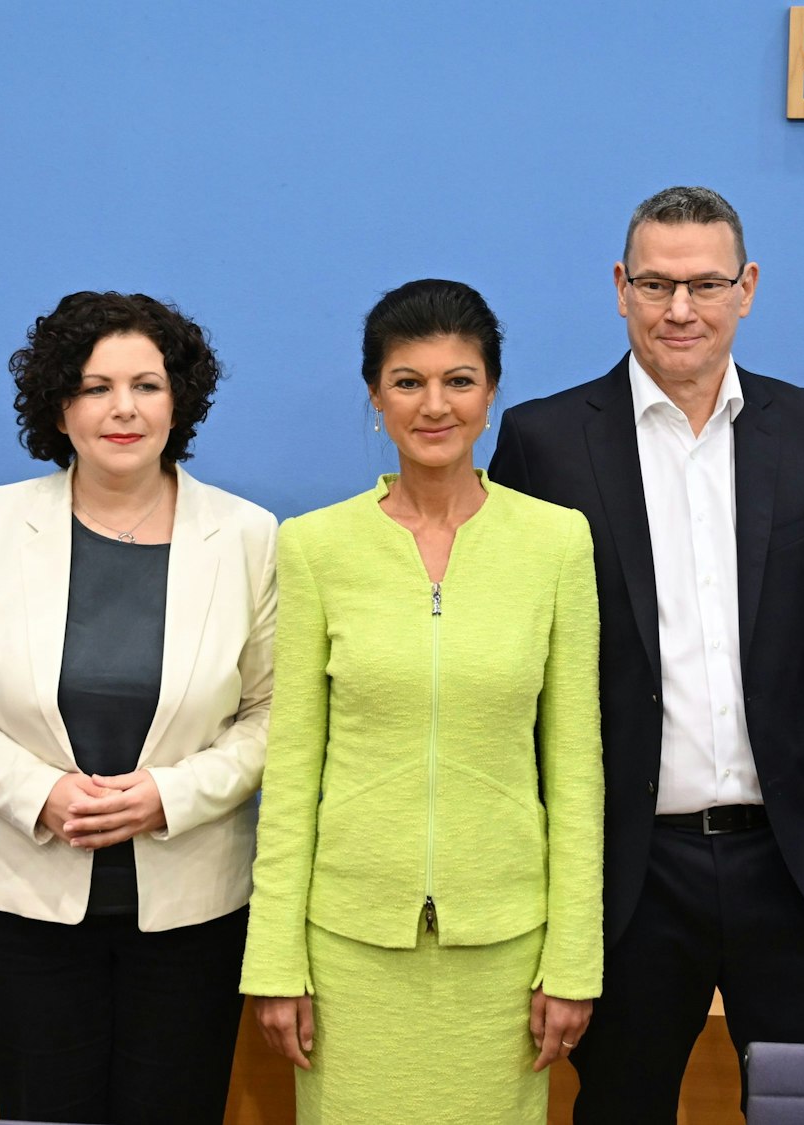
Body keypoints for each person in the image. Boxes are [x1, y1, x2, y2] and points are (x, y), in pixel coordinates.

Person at [488, 185, 804, 1122]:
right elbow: (519, 670)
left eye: (706, 283)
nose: (681, 308)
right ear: (620, 287)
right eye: (657, 283)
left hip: (800, 863)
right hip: (632, 876)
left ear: (747, 287)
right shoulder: (546, 442)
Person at [0, 291, 275, 1124]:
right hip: (24, 914)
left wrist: (170, 795)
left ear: (179, 401)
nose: (123, 409)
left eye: (146, 385)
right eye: (95, 386)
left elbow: (274, 715)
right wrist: (40, 793)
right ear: (58, 404)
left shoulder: (248, 536)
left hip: (193, 915)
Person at [242, 279, 603, 1124]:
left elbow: (576, 771)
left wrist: (573, 958)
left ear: (491, 393)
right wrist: (274, 958)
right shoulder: (315, 546)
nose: (434, 404)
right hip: (348, 953)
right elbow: (292, 767)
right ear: (375, 395)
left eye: (459, 380)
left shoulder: (556, 542)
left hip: (506, 954)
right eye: (408, 381)